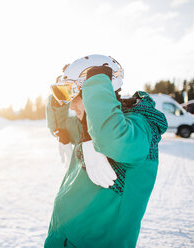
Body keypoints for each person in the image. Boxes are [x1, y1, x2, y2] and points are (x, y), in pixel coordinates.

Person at [45, 54, 168, 248]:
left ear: (97, 93)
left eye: (77, 97)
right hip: (61, 237)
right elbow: (58, 125)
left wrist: (95, 80)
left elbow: (115, 139)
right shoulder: (86, 125)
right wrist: (62, 88)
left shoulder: (139, 127)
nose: (72, 105)